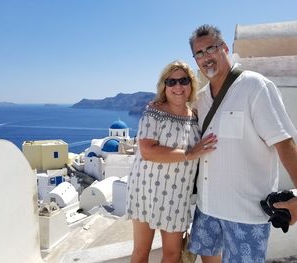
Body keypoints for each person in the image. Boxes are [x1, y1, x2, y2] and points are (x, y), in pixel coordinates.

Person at [187, 24, 297, 263]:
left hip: (245, 214)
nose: (206, 57)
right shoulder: (201, 98)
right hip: (207, 208)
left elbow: (285, 144)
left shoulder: (255, 86)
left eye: (211, 49)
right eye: (199, 53)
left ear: (225, 48)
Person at [126, 60, 217, 263]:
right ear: (164, 86)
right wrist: (189, 153)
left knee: (173, 254)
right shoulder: (154, 112)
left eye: (183, 80)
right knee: (141, 252)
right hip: (146, 190)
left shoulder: (195, 116)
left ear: (191, 84)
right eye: (171, 82)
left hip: (177, 195)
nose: (178, 87)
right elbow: (147, 150)